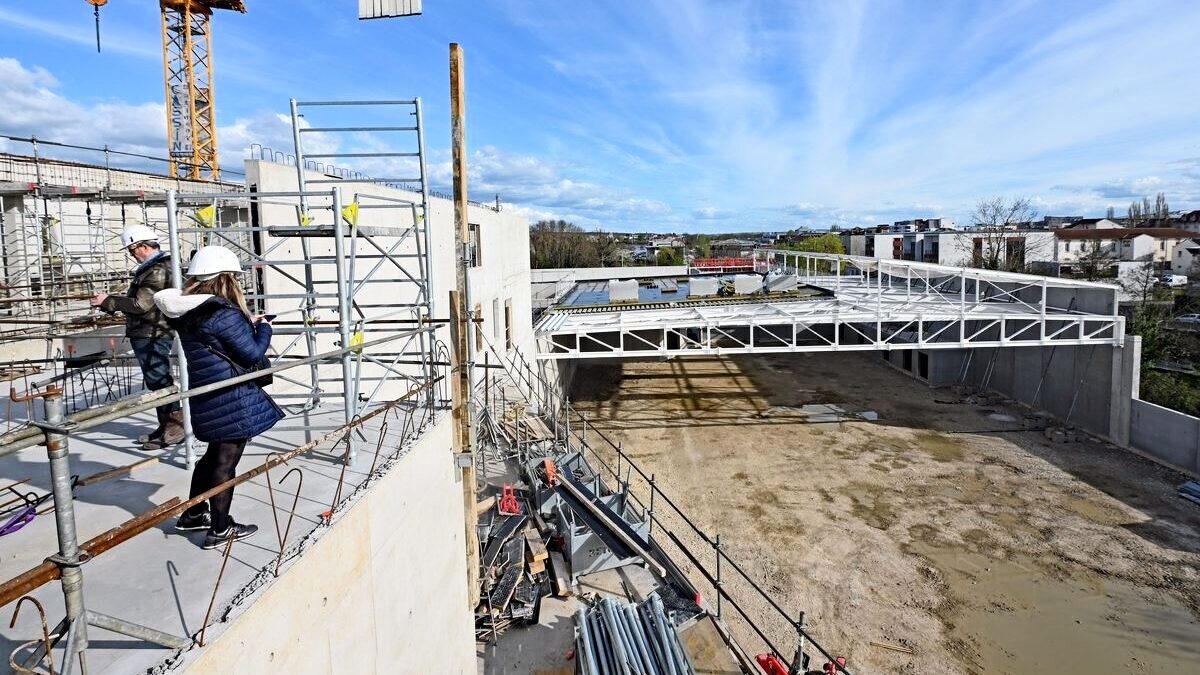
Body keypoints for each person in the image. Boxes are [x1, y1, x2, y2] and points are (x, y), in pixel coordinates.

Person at [154, 245, 283, 549]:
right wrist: (264, 328)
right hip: (231, 396)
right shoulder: (222, 312)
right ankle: (220, 529)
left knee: (212, 456)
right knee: (225, 462)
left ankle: (194, 513)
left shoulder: (191, 311)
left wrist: (244, 326)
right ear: (226, 279)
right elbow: (251, 352)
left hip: (207, 393)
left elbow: (218, 341)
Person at [91, 225, 182, 450]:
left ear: (142, 246)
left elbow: (141, 304)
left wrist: (108, 301)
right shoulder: (153, 268)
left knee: (160, 382)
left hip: (151, 332)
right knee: (157, 382)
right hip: (150, 330)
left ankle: (173, 430)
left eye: (132, 250)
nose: (131, 254)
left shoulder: (157, 270)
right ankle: (166, 427)